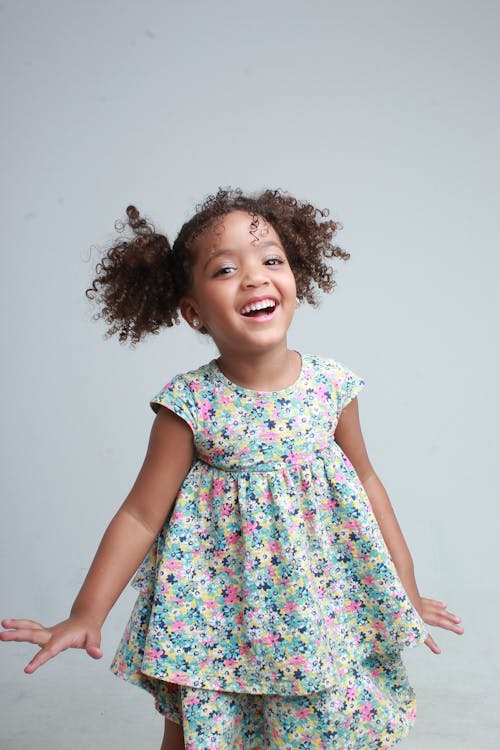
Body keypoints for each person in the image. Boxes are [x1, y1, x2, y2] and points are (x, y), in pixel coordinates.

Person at [1, 188, 463, 749]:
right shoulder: (191, 404)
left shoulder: (331, 387)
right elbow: (141, 516)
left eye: (271, 260)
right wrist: (85, 612)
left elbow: (367, 481)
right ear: (193, 312)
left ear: (295, 279)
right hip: (219, 614)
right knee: (203, 731)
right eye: (225, 270)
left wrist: (403, 585)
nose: (254, 277)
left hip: (319, 605)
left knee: (328, 726)